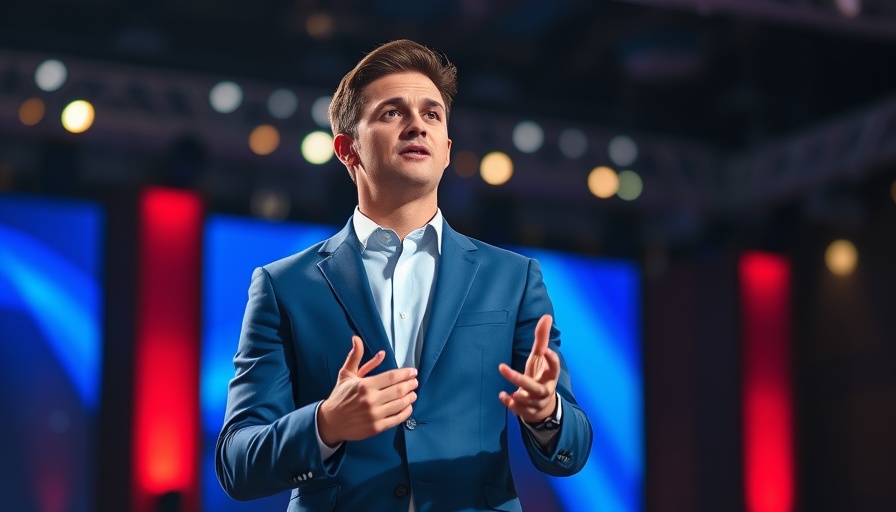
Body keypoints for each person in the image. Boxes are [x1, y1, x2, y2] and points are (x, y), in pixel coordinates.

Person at [216, 39, 592, 512]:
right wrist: (326, 423)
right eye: (392, 112)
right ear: (347, 149)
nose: (417, 123)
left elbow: (572, 452)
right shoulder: (284, 285)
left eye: (432, 114)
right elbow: (236, 464)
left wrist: (547, 413)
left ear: (448, 150)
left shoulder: (512, 279)